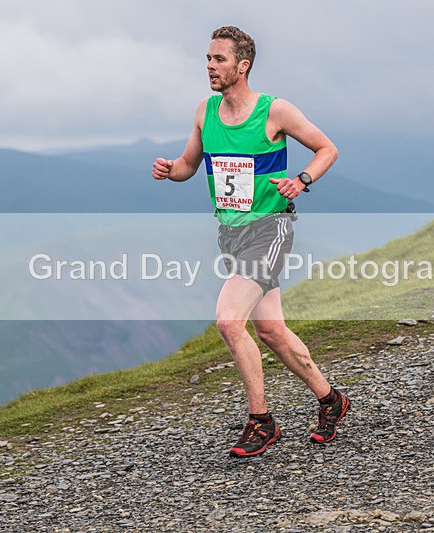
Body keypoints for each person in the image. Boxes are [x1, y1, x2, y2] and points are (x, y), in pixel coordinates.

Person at [152, 26, 350, 457]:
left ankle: (261, 422)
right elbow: (190, 164)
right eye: (207, 58)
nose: (209, 66)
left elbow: (327, 149)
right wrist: (172, 170)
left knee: (228, 320)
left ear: (242, 66)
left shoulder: (274, 111)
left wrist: (301, 180)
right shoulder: (205, 112)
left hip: (270, 228)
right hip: (231, 233)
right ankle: (331, 400)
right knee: (272, 331)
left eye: (219, 59)